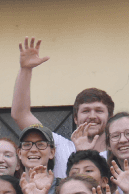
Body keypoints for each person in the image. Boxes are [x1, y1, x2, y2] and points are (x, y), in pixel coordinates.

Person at [12, 37, 114, 174]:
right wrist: (26, 69)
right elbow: (21, 114)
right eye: (86, 111)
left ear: (110, 118)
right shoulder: (59, 146)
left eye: (99, 110)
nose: (92, 116)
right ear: (75, 119)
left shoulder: (118, 154)